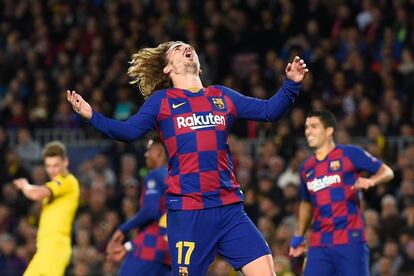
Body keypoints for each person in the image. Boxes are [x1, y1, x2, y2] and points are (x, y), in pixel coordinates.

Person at [67, 41, 308, 275]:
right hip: (188, 212)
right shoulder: (162, 102)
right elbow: (128, 132)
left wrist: (291, 84)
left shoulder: (222, 96)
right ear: (167, 68)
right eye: (177, 48)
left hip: (229, 210)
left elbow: (269, 111)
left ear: (200, 67)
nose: (185, 48)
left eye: (187, 46)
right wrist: (92, 116)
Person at [289, 110, 394, 276]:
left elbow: (387, 171)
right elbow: (306, 204)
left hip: (349, 240)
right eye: (307, 127)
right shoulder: (305, 168)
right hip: (319, 242)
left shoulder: (350, 154)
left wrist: (371, 181)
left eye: (314, 126)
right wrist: (298, 237)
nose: (308, 131)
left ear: (329, 130)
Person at [13, 141, 80, 276]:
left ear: (65, 162)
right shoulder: (53, 186)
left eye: (56, 165)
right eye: (48, 166)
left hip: (56, 247)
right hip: (43, 249)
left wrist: (25, 185)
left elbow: (35, 193)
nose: (52, 170)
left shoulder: (67, 181)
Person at [106, 137, 171, 275]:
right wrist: (130, 246)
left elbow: (150, 211)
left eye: (148, 151)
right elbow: (159, 222)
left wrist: (123, 229)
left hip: (151, 247)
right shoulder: (178, 178)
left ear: (159, 153)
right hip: (172, 251)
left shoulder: (155, 175)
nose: (145, 155)